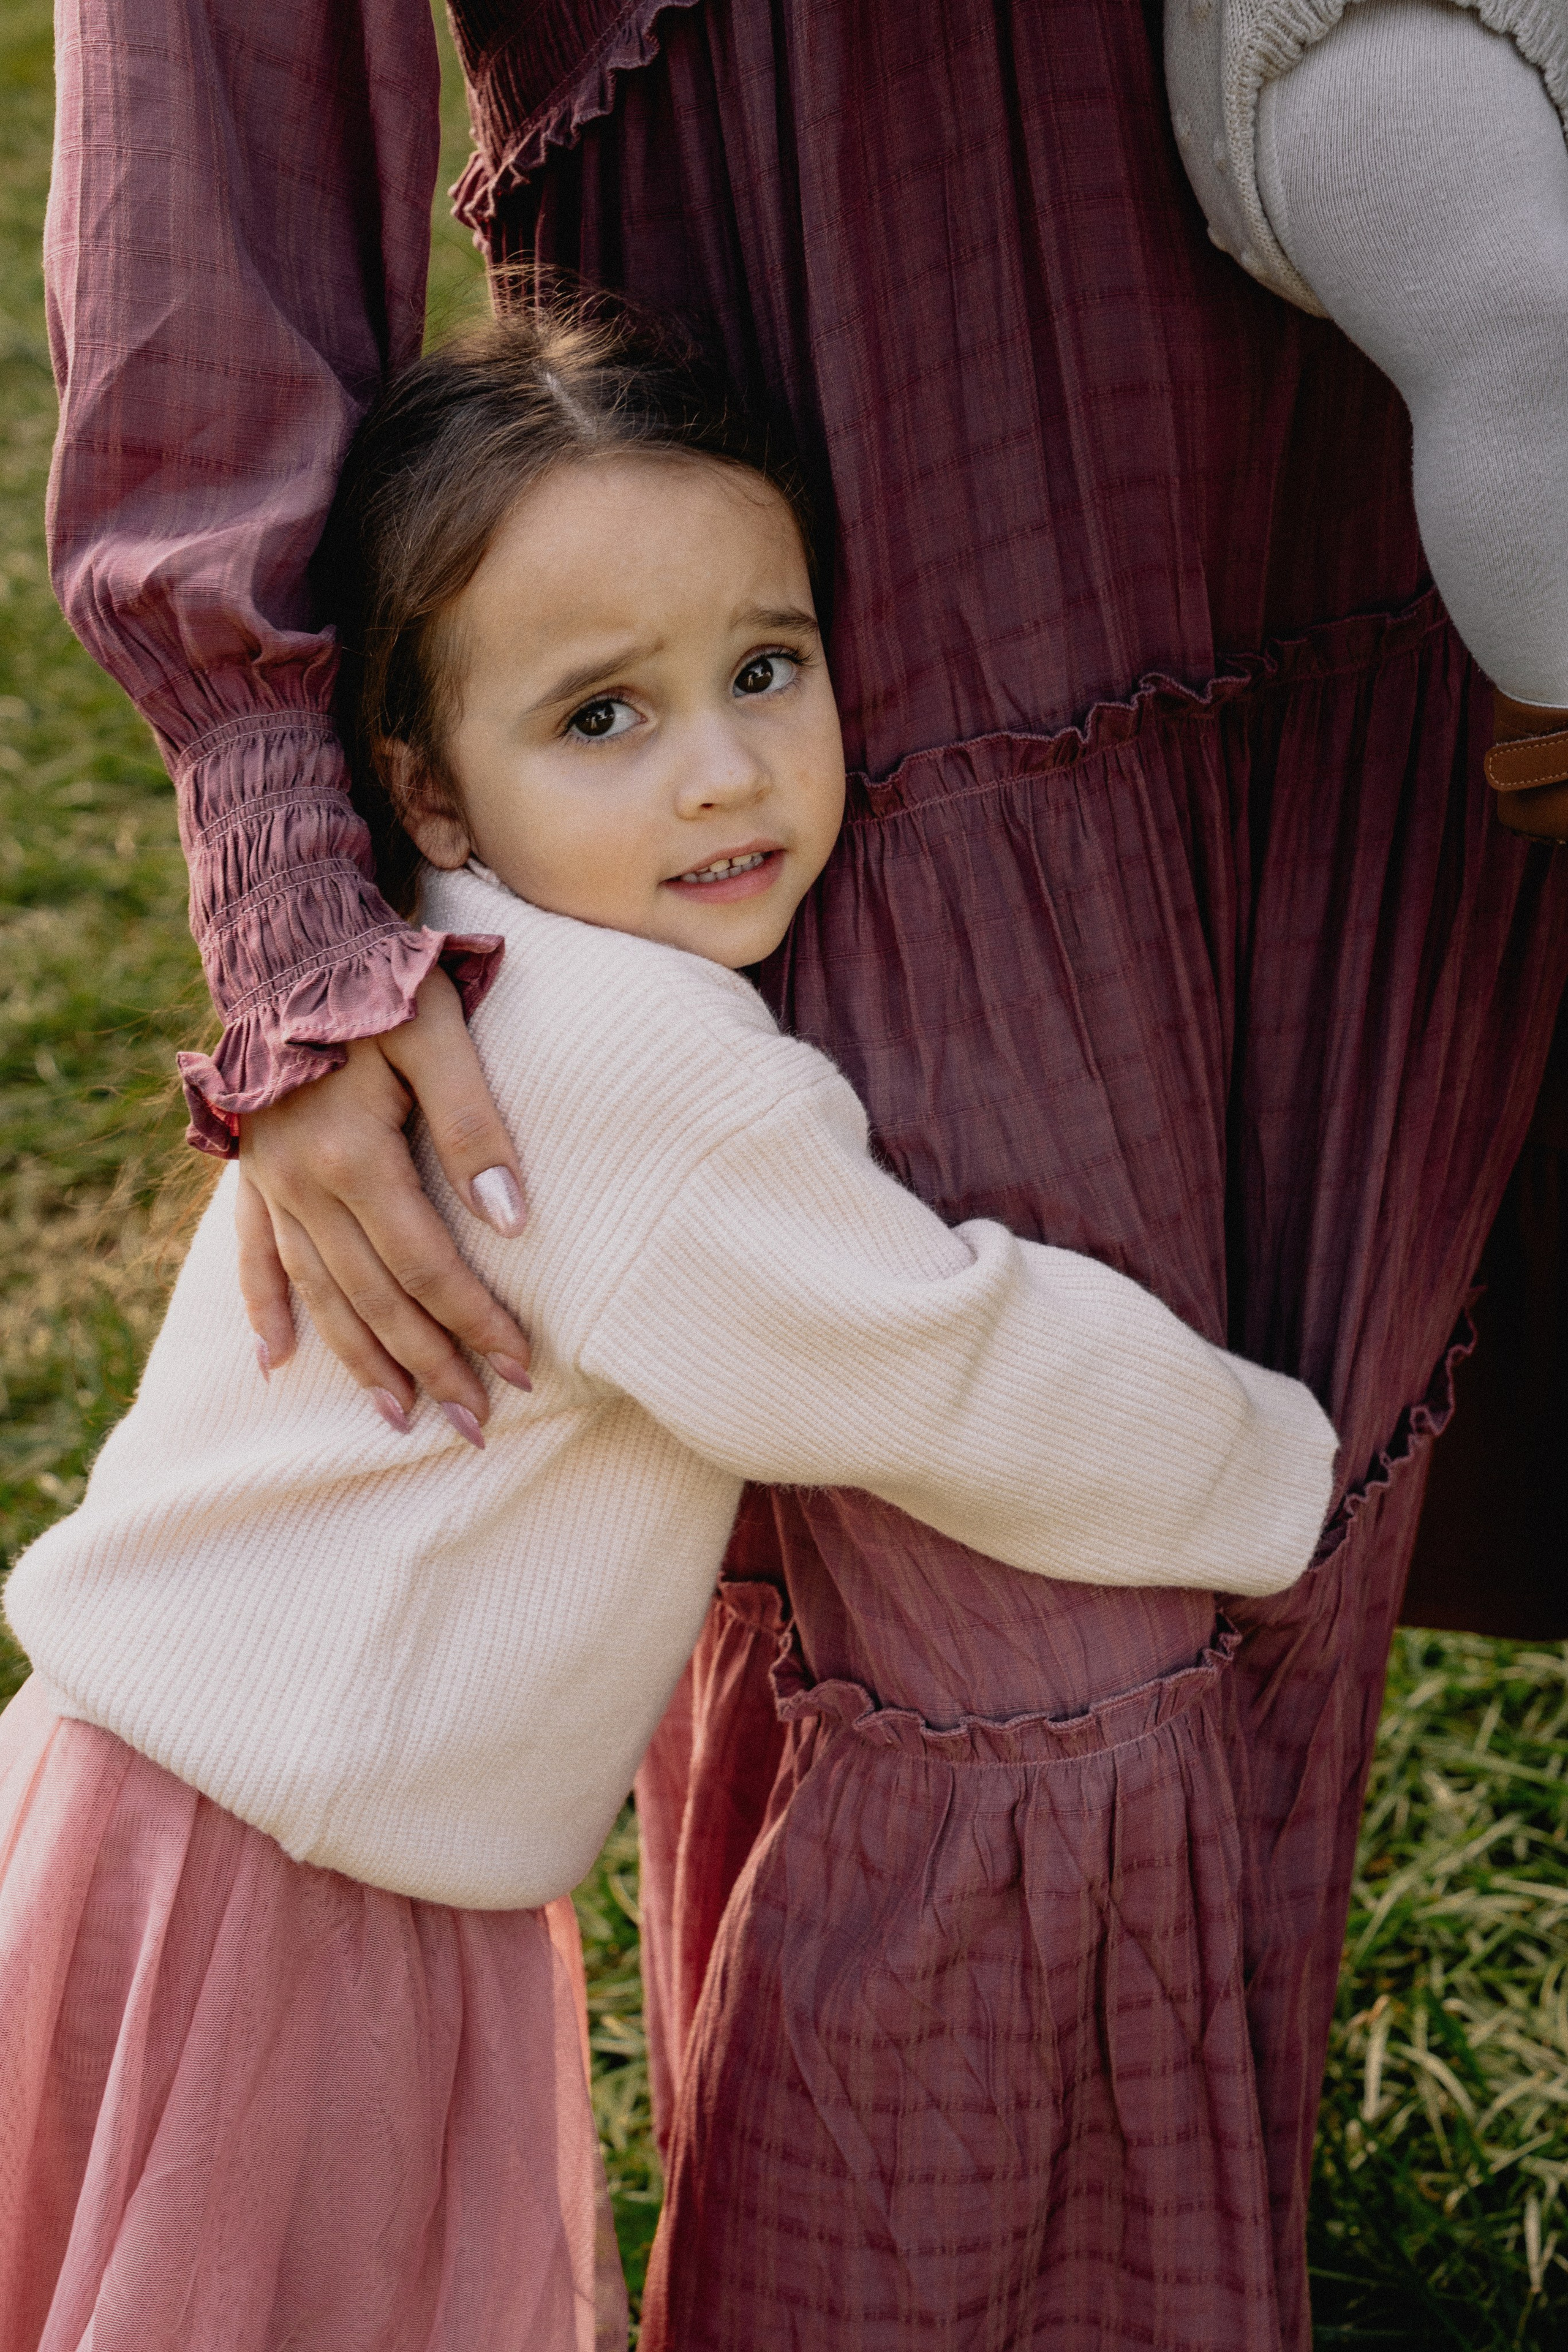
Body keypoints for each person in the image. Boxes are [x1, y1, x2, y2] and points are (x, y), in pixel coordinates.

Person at [38, 0, 1568, 2342]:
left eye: (770, 666)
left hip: (162, 1796)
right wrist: (1266, 1468)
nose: (723, 778)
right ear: (427, 791)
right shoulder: (640, 1074)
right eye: (604, 716)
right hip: (301, 1867)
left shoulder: (469, 963)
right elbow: (936, 1357)